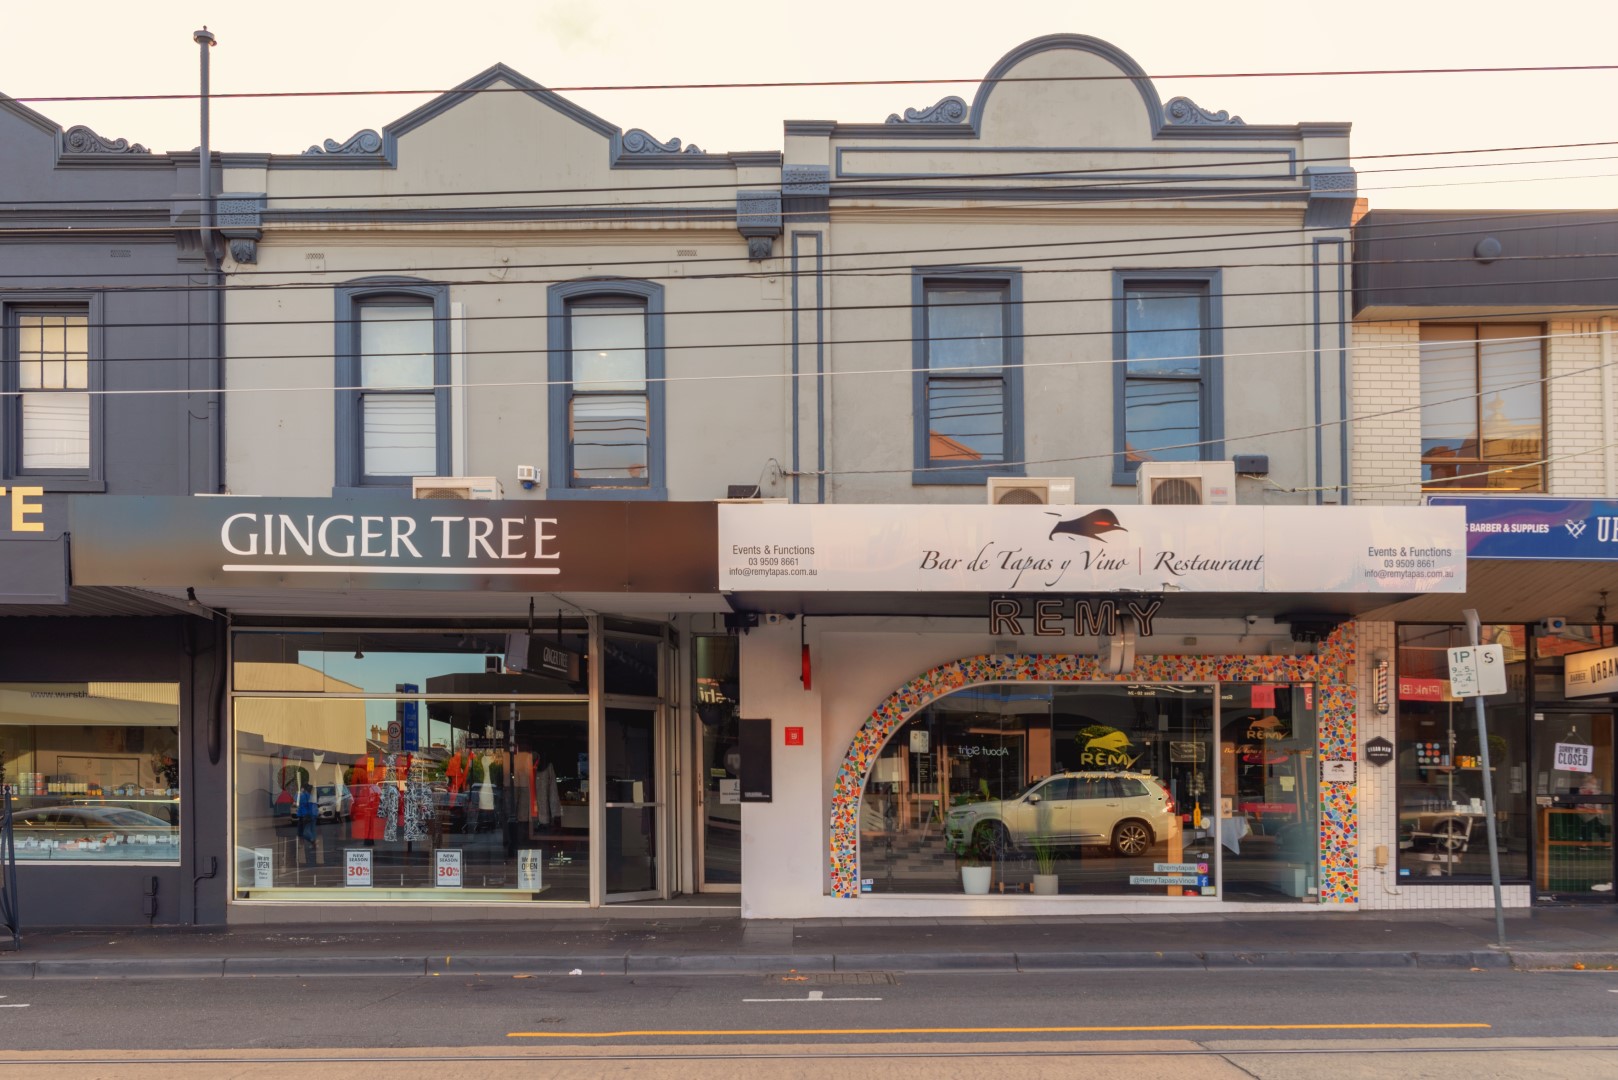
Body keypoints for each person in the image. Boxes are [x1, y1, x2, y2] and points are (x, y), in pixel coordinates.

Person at [295, 782, 319, 868]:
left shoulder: (304, 795)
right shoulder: (310, 795)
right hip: (311, 815)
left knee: (305, 832)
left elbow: (300, 804)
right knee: (310, 830)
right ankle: (312, 844)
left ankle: (313, 841)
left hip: (306, 815)